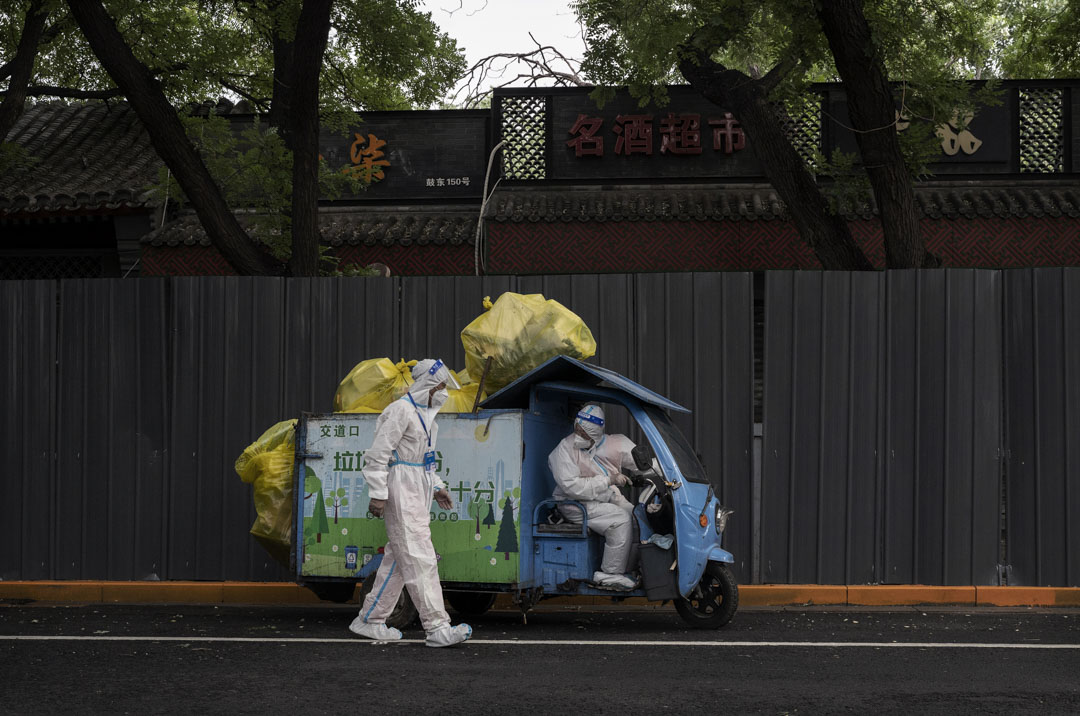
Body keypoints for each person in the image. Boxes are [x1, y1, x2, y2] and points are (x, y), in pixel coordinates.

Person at [349, 358, 473, 647]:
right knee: (419, 556)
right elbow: (378, 454)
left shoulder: (428, 417)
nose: (443, 390)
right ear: (427, 384)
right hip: (402, 488)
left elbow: (425, 461)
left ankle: (369, 619)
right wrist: (378, 493)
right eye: (440, 385)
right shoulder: (400, 411)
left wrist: (438, 487)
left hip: (418, 486)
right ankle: (437, 627)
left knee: (399, 558)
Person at [547, 403, 639, 590]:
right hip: (574, 504)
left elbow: (639, 463)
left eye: (584, 434)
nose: (579, 436)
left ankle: (628, 568)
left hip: (598, 498)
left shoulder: (600, 446)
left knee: (637, 516)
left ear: (595, 436)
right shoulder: (563, 450)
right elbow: (573, 487)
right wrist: (608, 480)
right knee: (620, 520)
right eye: (577, 431)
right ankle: (609, 574)